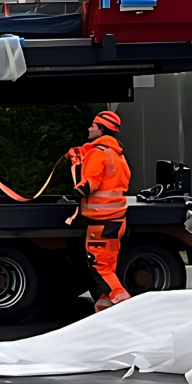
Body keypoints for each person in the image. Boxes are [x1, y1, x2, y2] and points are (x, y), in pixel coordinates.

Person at [64, 109, 132, 311]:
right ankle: (103, 307)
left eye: (93, 126)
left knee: (99, 267)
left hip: (100, 222)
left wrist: (76, 163)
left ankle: (125, 304)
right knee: (108, 266)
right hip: (117, 220)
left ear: (101, 129)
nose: (89, 128)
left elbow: (83, 188)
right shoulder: (117, 155)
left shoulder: (96, 154)